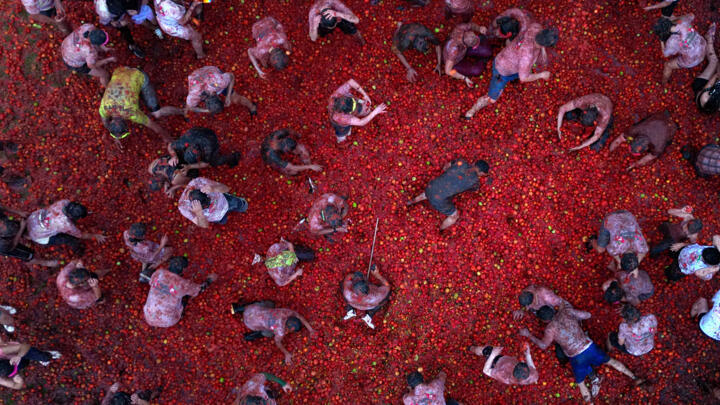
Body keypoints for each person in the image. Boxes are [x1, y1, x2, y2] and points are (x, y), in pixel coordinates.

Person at [520, 305, 644, 403]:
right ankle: (634, 377)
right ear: (553, 309)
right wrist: (573, 315)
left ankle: (590, 403)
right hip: (589, 347)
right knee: (611, 361)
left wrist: (528, 335)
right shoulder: (566, 312)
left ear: (544, 320)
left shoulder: (550, 329)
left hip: (576, 357)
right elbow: (587, 315)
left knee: (581, 384)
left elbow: (543, 345)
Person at [463, 25, 557, 118]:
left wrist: (542, 48)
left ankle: (513, 74)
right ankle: (473, 110)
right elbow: (523, 78)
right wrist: (541, 75)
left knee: (522, 71)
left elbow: (517, 13)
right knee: (492, 99)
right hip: (501, 72)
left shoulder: (535, 27)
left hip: (509, 60)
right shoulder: (527, 56)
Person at [99, 66, 184, 147]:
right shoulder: (103, 108)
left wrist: (169, 139)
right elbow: (105, 122)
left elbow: (156, 128)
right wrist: (116, 135)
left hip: (139, 74)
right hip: (121, 70)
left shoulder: (132, 113)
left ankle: (183, 111)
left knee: (157, 113)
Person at [406, 159, 489, 230]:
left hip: (430, 186)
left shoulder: (461, 162)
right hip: (438, 199)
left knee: (437, 188)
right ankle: (440, 229)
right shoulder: (475, 182)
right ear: (482, 173)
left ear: (474, 163)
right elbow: (473, 190)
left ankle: (411, 201)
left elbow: (446, 167)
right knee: (454, 216)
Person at [230, 301, 316, 364]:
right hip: (249, 323)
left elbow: (299, 316)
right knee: (269, 333)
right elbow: (278, 342)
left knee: (270, 304)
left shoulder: (286, 312)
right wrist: (286, 353)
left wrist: (311, 329)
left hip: (251, 310)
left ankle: (238, 309)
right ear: (288, 329)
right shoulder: (280, 331)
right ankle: (250, 336)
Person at [143, 256, 215, 328]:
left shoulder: (159, 273)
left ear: (169, 265)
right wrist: (210, 280)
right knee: (186, 295)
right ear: (183, 269)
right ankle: (180, 314)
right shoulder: (182, 284)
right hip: (168, 321)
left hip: (148, 316)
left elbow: (151, 281)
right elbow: (199, 290)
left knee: (169, 293)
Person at [25, 200, 106, 256]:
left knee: (59, 227)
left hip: (32, 219)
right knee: (70, 239)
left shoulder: (64, 202)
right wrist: (96, 235)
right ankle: (78, 251)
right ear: (71, 217)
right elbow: (80, 235)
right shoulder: (65, 223)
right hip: (38, 236)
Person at [608, 111, 678, 171]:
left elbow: (650, 157)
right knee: (645, 122)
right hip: (658, 117)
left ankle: (673, 123)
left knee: (668, 142)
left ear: (647, 148)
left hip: (671, 127)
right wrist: (610, 153)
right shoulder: (635, 130)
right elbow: (619, 139)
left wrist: (636, 164)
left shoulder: (658, 147)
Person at [653, 15, 709, 84]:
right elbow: (692, 15)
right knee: (683, 47)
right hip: (702, 44)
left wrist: (661, 40)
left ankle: (663, 82)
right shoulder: (682, 22)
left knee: (667, 65)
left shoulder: (672, 41)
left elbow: (665, 54)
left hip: (694, 59)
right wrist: (674, 19)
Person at [589, 210, 648, 274]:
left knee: (617, 235)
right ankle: (592, 239)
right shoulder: (617, 247)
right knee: (600, 249)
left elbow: (643, 252)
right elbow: (614, 253)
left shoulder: (641, 245)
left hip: (627, 215)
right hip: (611, 218)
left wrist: (635, 265)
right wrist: (619, 262)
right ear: (621, 256)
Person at [328, 79, 387, 143]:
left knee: (363, 107)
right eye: (354, 108)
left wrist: (365, 95)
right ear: (347, 113)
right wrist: (375, 112)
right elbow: (361, 122)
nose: (356, 105)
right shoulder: (341, 118)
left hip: (346, 108)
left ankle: (364, 110)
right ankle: (341, 139)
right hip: (341, 125)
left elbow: (351, 81)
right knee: (342, 131)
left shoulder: (337, 94)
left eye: (354, 102)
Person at [184, 66, 257, 116]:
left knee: (235, 98)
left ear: (218, 96)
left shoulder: (219, 82)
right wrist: (207, 110)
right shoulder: (194, 95)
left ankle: (252, 107)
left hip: (210, 72)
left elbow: (231, 76)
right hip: (196, 76)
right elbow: (190, 108)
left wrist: (228, 96)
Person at [177, 177, 248, 228]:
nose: (210, 203)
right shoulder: (184, 207)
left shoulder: (198, 182)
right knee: (223, 221)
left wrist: (214, 188)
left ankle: (243, 206)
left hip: (226, 201)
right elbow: (205, 225)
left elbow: (226, 188)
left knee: (242, 205)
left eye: (209, 199)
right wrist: (199, 214)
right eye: (206, 206)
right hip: (217, 217)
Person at [341, 264, 391, 329]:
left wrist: (356, 276)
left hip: (353, 303)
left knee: (342, 286)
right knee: (386, 297)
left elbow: (349, 276)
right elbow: (387, 286)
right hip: (370, 306)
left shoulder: (347, 293)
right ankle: (369, 315)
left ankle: (350, 310)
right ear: (368, 285)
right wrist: (377, 275)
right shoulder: (376, 297)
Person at [442, 23, 492, 87]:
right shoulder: (453, 50)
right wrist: (463, 77)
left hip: (463, 51)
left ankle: (480, 58)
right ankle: (482, 61)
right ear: (466, 45)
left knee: (487, 52)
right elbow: (448, 71)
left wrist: (479, 28)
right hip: (456, 62)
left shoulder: (461, 27)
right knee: (476, 70)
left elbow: (472, 25)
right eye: (474, 46)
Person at [168, 127, 241, 168]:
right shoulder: (183, 142)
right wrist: (174, 156)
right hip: (197, 132)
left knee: (214, 162)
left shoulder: (207, 149)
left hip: (211, 137)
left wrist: (189, 166)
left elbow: (206, 164)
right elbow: (170, 145)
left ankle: (233, 157)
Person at [470, 344, 538, 385]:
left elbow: (485, 371)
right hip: (504, 359)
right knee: (489, 349)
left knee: (484, 350)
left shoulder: (504, 377)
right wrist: (528, 355)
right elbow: (532, 367)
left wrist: (493, 355)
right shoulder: (533, 375)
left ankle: (471, 348)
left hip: (495, 364)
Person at [692, 24, 719, 114]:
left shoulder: (705, 98)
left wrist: (717, 74)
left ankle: (709, 39)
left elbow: (710, 83)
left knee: (714, 61)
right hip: (711, 86)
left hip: (702, 85)